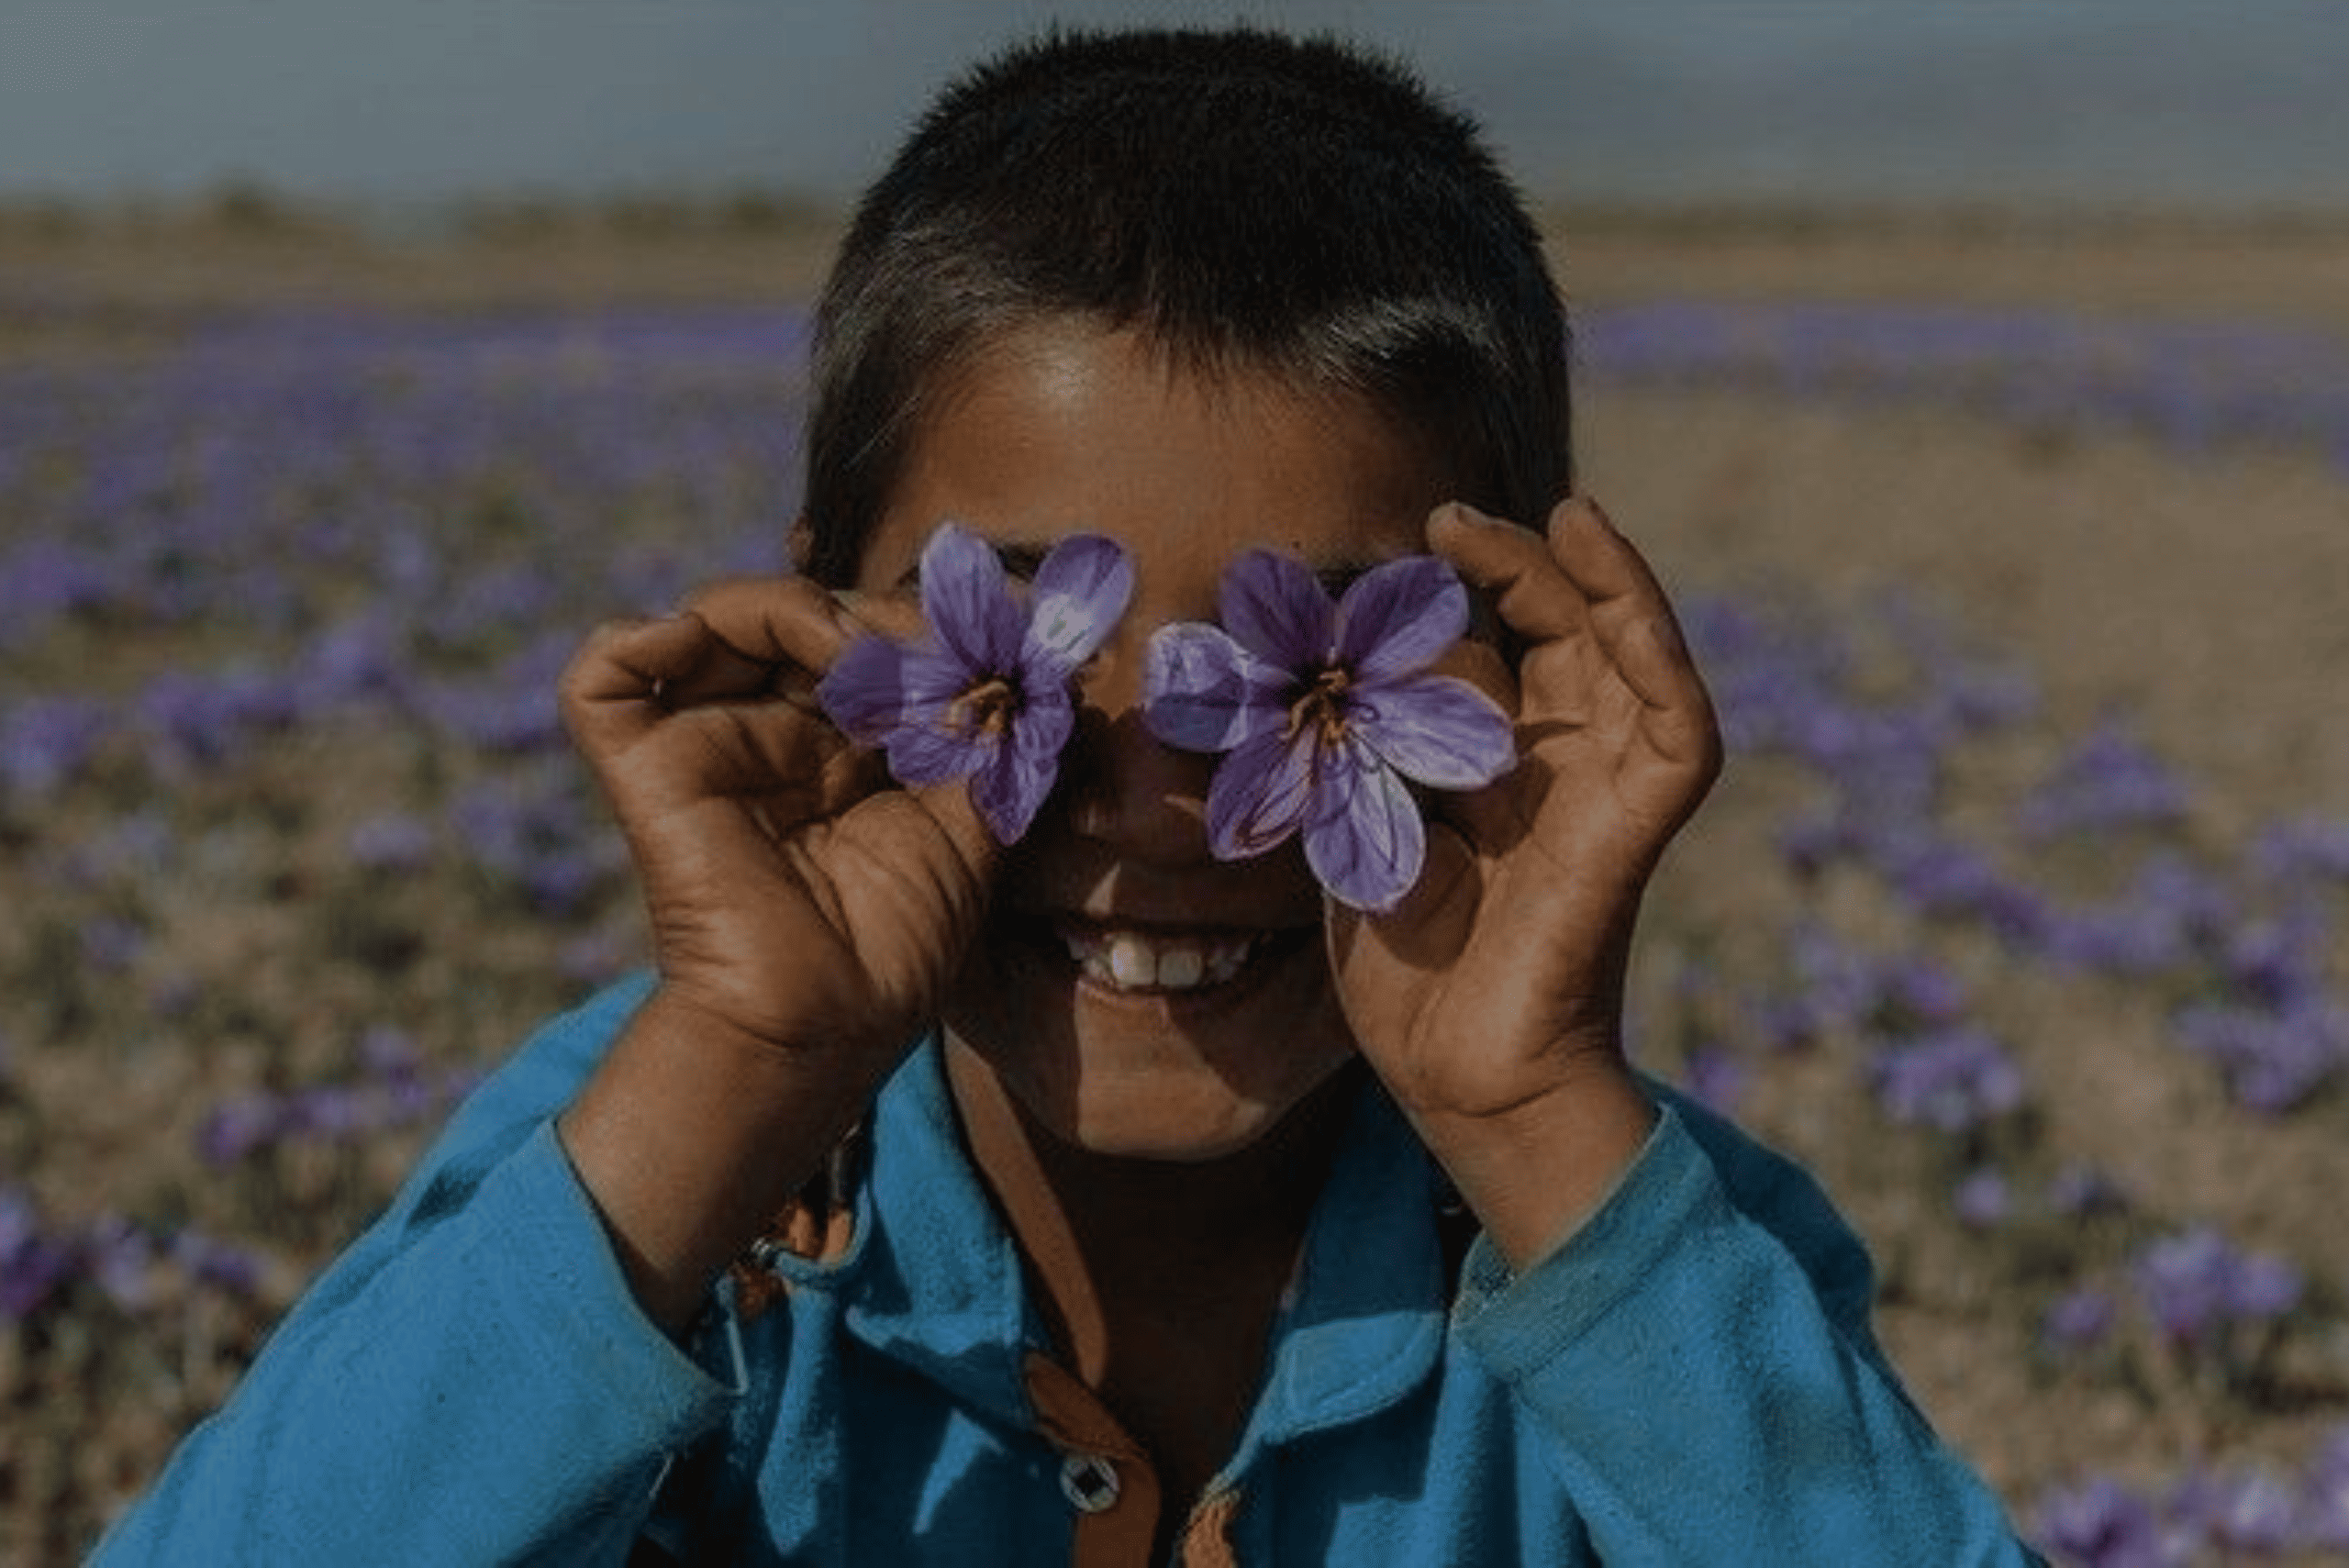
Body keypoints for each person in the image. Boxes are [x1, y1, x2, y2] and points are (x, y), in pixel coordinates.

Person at [96, 25, 2046, 1566]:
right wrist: (737, 1064)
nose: (1158, 803)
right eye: (1021, 668)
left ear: (1524, 677)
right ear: (823, 634)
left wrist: (1532, 1116)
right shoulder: (669, 1185)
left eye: (1299, 674)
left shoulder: (1635, 1251)